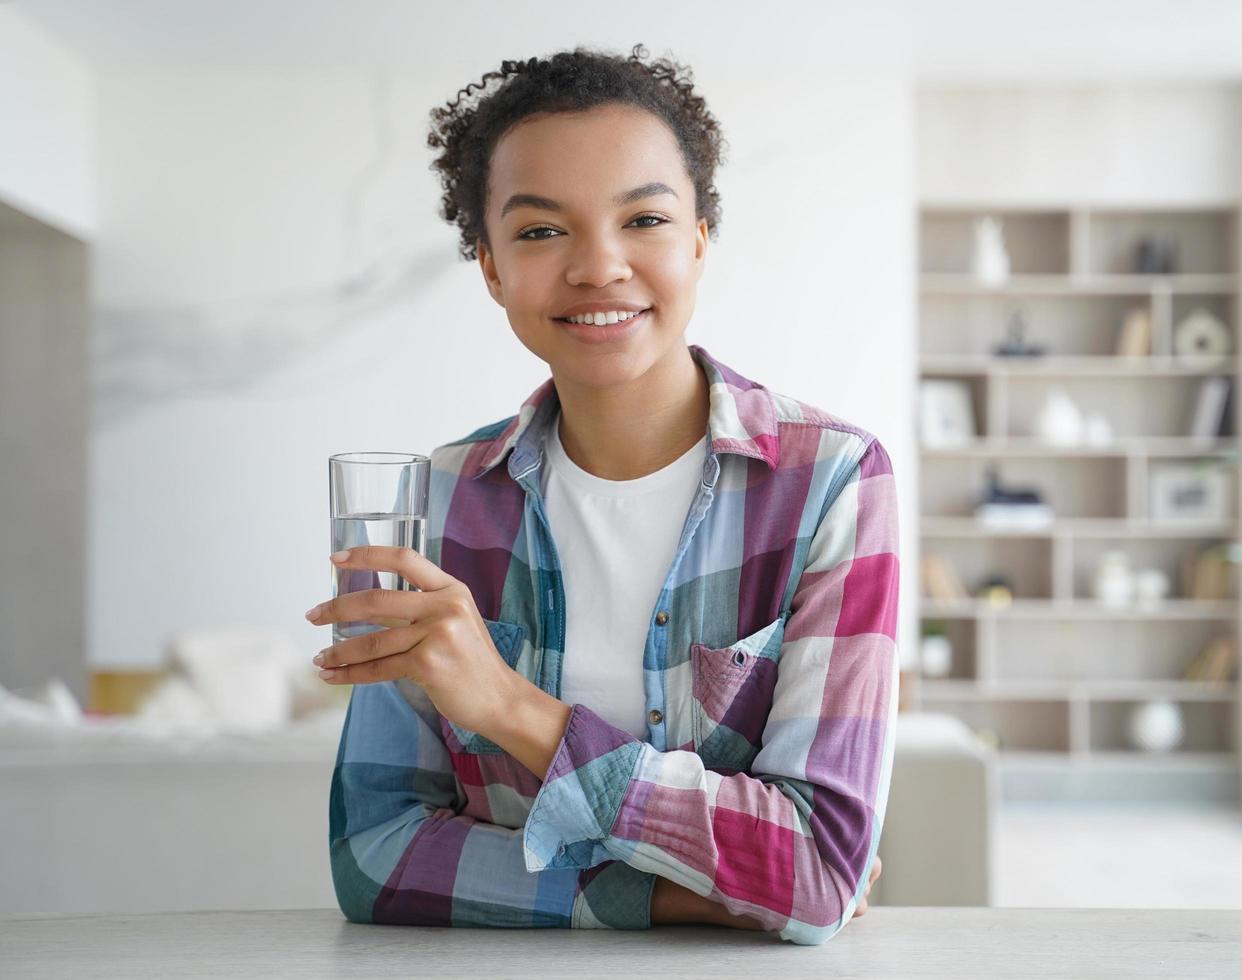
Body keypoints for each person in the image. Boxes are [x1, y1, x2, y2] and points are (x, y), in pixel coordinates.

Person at [314, 43, 899, 946]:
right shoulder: (435, 499)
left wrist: (510, 709)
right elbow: (376, 853)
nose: (599, 267)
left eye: (645, 220)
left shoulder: (832, 483)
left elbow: (817, 865)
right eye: (543, 231)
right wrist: (674, 896)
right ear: (492, 268)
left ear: (699, 240)